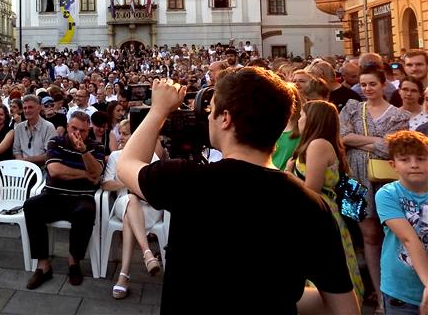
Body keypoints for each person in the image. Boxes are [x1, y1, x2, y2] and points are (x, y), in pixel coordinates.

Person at [117, 71, 359, 314]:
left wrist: (158, 110)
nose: (208, 118)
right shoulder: (312, 205)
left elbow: (126, 164)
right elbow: (345, 308)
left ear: (225, 118)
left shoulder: (189, 181)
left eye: (211, 110)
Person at [341, 66, 409, 312]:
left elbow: (394, 147)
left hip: (388, 179)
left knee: (394, 234)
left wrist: (362, 142)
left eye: (372, 84)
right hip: (353, 180)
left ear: (383, 85)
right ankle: (379, 295)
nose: (367, 89)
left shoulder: (398, 114)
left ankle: (396, 292)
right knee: (367, 237)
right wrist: (377, 142)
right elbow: (343, 138)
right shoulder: (352, 108)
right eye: (364, 85)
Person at [290, 100, 364, 302]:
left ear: (313, 119)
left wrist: (288, 175)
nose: (300, 120)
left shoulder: (318, 145)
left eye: (303, 116)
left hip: (318, 212)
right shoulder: (318, 144)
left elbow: (311, 187)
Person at [24, 111, 105, 290]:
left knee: (85, 211)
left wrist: (83, 151)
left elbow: (97, 171)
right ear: (68, 127)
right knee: (31, 205)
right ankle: (43, 265)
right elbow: (54, 170)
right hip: (54, 195)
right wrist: (86, 174)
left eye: (82, 131)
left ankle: (73, 261)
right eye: (74, 128)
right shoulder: (56, 142)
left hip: (81, 198)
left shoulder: (96, 147)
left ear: (88, 130)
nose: (77, 133)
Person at [102, 119, 162, 299]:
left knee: (131, 207)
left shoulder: (151, 156)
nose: (121, 137)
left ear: (136, 136)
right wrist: (128, 181)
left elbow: (158, 187)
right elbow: (105, 184)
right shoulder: (115, 156)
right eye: (120, 133)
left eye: (126, 133)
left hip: (147, 207)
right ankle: (147, 252)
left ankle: (124, 275)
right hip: (123, 202)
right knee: (129, 199)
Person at [376, 130, 428, 314]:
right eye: (405, 159)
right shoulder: (387, 194)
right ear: (393, 165)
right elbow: (409, 239)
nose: (414, 165)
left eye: (421, 158)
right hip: (400, 291)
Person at [12, 94, 56, 165]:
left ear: (39, 108)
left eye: (30, 107)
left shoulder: (48, 127)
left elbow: (49, 154)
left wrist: (27, 161)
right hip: (22, 167)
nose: (27, 110)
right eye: (25, 108)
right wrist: (21, 164)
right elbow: (16, 151)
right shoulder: (19, 128)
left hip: (42, 168)